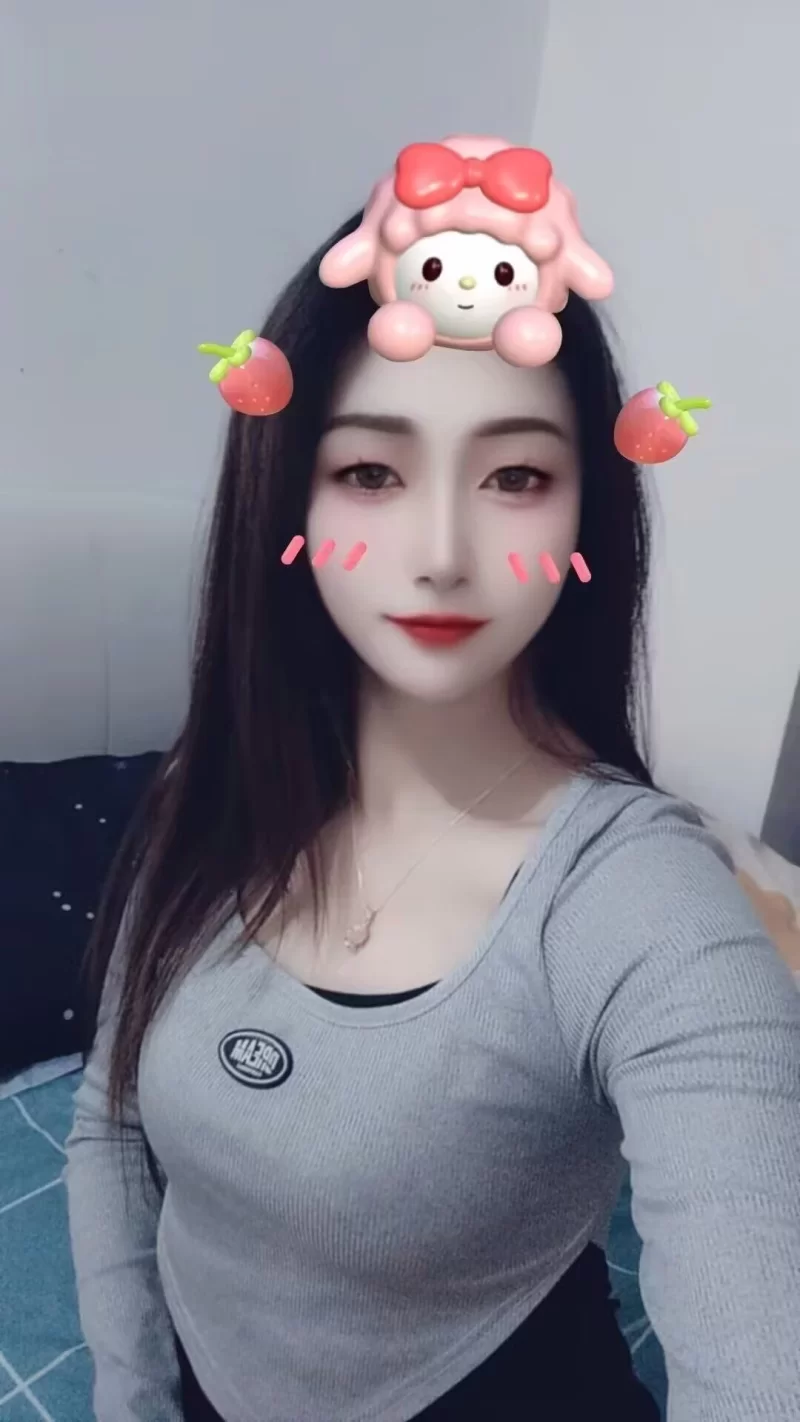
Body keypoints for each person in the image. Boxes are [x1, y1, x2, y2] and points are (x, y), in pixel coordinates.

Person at [65, 209, 800, 1422]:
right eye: (369, 472)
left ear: (585, 514)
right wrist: (132, 1393)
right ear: (290, 504)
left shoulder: (637, 899)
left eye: (516, 477)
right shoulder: (212, 787)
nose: (443, 552)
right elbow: (108, 1120)